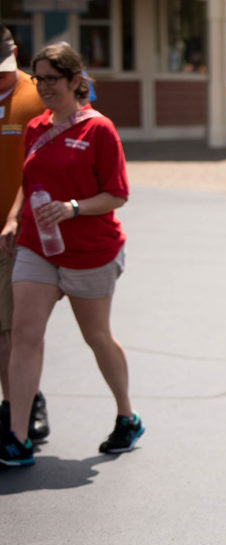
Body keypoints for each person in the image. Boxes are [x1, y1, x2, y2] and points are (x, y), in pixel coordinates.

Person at [0, 42, 144, 467]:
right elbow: (29, 182)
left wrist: (73, 208)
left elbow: (117, 194)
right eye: (38, 77)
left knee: (96, 337)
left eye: (51, 79)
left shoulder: (98, 129)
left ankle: (126, 415)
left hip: (89, 249)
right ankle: (18, 437)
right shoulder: (35, 127)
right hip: (36, 246)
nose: (43, 86)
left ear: (75, 81)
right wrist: (13, 219)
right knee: (25, 334)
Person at [0, 24, 50, 443]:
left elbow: (36, 170)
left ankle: (21, 408)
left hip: (17, 234)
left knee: (13, 329)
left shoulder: (36, 98)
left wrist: (15, 217)